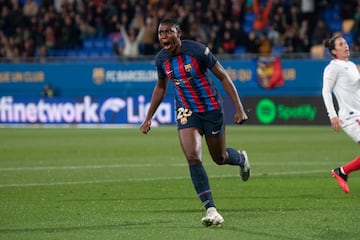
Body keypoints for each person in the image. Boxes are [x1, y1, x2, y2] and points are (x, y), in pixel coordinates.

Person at [140, 18, 250, 227]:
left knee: (220, 157)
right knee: (192, 156)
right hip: (186, 109)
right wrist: (148, 117)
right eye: (160, 33)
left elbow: (223, 77)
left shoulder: (198, 51)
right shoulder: (161, 59)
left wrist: (239, 108)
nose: (164, 36)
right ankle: (211, 209)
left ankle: (241, 158)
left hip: (211, 109)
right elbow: (161, 88)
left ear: (178, 33)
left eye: (168, 32)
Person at [322, 35, 360, 193]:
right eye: (340, 44)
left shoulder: (351, 65)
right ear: (333, 51)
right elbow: (326, 91)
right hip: (350, 117)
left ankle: (342, 172)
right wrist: (332, 115)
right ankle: (342, 172)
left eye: (345, 42)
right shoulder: (333, 67)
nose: (346, 46)